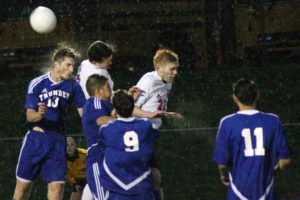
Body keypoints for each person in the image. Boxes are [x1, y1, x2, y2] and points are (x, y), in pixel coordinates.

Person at [13, 46, 86, 200]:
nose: (72, 69)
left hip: (58, 142)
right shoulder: (38, 83)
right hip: (36, 140)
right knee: (22, 189)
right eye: (68, 65)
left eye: (73, 65)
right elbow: (30, 115)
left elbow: (84, 114)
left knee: (56, 192)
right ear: (56, 64)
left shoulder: (73, 86)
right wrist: (39, 115)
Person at [213, 78, 291, 200]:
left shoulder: (227, 123)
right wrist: (273, 170)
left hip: (237, 192)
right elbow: (285, 160)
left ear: (234, 98)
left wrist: (223, 176)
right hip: (266, 191)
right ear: (257, 95)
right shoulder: (273, 121)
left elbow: (222, 163)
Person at [133, 48, 183, 200]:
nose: (175, 73)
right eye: (172, 69)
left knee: (155, 179)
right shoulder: (148, 82)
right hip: (138, 137)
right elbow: (130, 109)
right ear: (158, 68)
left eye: (176, 69)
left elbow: (156, 103)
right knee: (146, 180)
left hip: (149, 136)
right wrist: (151, 114)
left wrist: (164, 114)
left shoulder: (166, 81)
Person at [95, 90, 160, 199]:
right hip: (141, 185)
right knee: (156, 176)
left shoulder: (107, 129)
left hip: (117, 186)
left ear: (115, 110)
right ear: (133, 107)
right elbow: (152, 137)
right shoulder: (145, 126)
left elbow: (102, 140)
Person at [81, 74, 115, 199]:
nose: (111, 90)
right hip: (99, 155)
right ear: (99, 91)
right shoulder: (95, 102)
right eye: (108, 87)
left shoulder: (105, 104)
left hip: (106, 155)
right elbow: (101, 120)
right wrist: (125, 121)